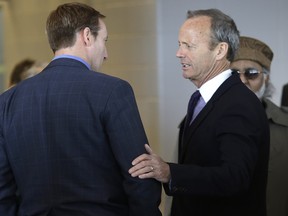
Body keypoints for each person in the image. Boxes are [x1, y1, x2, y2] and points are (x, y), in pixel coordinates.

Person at [0, 2, 162, 216]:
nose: (106, 54)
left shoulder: (7, 101)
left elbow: (3, 189)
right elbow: (140, 175)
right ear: (87, 36)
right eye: (104, 41)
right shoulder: (113, 91)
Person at [129, 9, 270, 216]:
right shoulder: (204, 99)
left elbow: (234, 177)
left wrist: (169, 172)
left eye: (189, 46)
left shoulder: (239, 103)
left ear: (220, 50)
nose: (179, 53)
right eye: (179, 44)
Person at [230, 36, 288, 216]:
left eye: (251, 73)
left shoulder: (285, 127)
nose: (242, 81)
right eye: (233, 74)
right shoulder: (199, 121)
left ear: (266, 78)